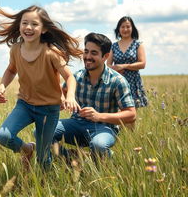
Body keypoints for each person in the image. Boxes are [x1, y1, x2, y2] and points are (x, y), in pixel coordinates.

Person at [0, 5, 83, 169]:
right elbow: (11, 70)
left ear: (44, 29)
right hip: (25, 105)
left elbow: (70, 77)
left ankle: (41, 185)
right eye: (24, 23)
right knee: (4, 136)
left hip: (48, 109)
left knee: (43, 158)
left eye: (34, 24)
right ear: (19, 26)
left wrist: (70, 96)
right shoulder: (15, 49)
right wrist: (2, 86)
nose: (28, 27)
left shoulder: (51, 52)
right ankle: (27, 149)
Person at [53, 33, 136, 161]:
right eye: (86, 52)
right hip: (76, 123)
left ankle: (107, 158)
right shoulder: (76, 77)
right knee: (41, 131)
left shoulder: (118, 81)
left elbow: (131, 115)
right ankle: (72, 158)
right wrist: (61, 101)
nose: (87, 57)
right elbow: (62, 94)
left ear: (105, 56)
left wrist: (99, 116)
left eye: (94, 53)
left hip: (104, 127)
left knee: (98, 145)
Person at [107, 16, 148, 107]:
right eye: (122, 27)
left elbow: (142, 64)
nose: (125, 29)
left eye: (128, 26)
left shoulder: (138, 44)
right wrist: (115, 69)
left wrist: (124, 66)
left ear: (132, 28)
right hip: (117, 80)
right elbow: (108, 64)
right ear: (118, 29)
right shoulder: (113, 46)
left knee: (132, 111)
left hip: (133, 81)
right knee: (116, 109)